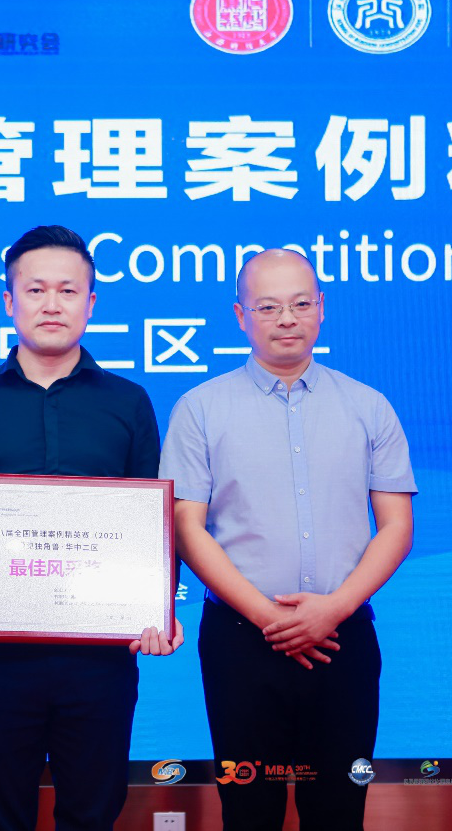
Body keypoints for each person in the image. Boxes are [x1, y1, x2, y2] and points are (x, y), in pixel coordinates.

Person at [0, 225, 183, 831]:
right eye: (35, 290)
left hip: (101, 660)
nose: (51, 304)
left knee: (94, 813)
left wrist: (156, 607)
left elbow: (153, 522)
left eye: (67, 290)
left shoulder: (129, 402)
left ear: (91, 302)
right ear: (10, 301)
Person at [159, 248, 416, 831]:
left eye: (301, 304)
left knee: (340, 812)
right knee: (248, 813)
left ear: (321, 308)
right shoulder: (200, 409)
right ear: (240, 316)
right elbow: (185, 528)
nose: (287, 319)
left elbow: (397, 527)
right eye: (268, 306)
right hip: (240, 642)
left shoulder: (369, 407)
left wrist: (334, 608)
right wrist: (268, 617)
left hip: (343, 638)